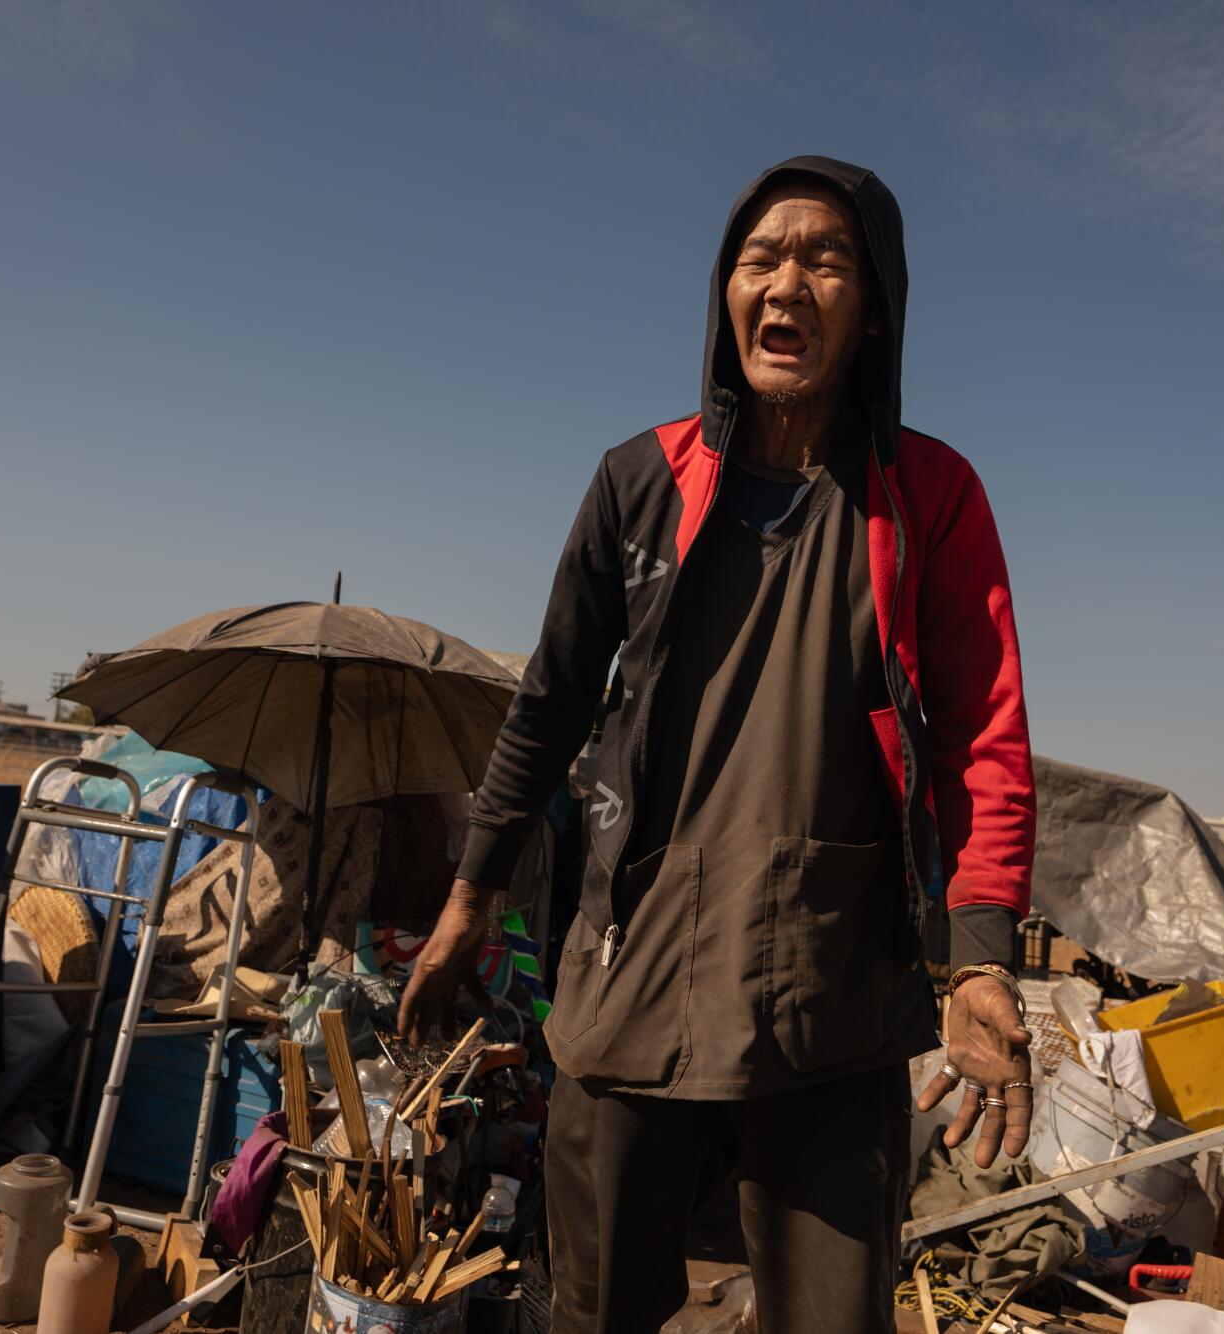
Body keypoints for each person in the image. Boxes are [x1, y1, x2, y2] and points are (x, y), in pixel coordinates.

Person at [398, 155, 1036, 1333]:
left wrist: (980, 953)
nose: (786, 281)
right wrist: (469, 892)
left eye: (823, 259)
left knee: (831, 1319)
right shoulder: (638, 481)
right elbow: (546, 703)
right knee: (595, 1308)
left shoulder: (929, 496)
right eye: (760, 257)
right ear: (724, 293)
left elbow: (982, 731)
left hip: (831, 985)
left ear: (874, 305)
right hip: (633, 966)